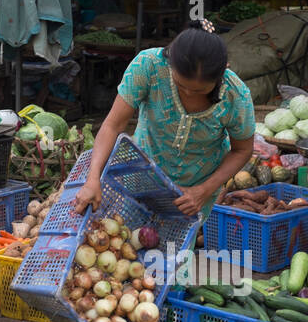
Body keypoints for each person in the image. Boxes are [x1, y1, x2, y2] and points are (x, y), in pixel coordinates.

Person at [72, 19, 254, 218]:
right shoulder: (148, 66)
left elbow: (242, 150)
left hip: (193, 195)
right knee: (128, 237)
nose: (189, 94)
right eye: (180, 85)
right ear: (170, 62)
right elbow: (112, 126)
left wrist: (203, 190)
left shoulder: (235, 95)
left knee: (174, 248)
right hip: (140, 176)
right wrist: (93, 178)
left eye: (200, 90)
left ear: (222, 73)